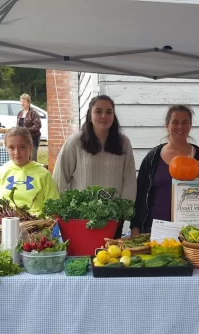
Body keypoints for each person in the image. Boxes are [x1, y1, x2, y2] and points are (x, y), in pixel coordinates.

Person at [52, 95, 136, 238]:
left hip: (113, 219)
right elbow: (59, 178)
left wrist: (122, 211)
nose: (104, 116)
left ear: (113, 116)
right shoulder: (75, 142)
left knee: (111, 253)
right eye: (98, 111)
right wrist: (71, 209)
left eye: (108, 112)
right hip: (81, 219)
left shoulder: (124, 143)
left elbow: (129, 179)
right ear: (90, 116)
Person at [131, 105, 199, 235]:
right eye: (175, 122)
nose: (180, 127)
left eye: (185, 122)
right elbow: (140, 195)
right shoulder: (153, 157)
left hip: (191, 233)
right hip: (154, 231)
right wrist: (135, 227)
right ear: (167, 125)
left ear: (190, 125)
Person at [0, 127, 58, 215]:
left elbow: (53, 204)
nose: (17, 152)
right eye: (11, 147)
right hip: (5, 220)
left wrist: (43, 220)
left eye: (22, 147)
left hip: (36, 222)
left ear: (30, 147)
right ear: (6, 148)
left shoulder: (43, 174)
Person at [16, 93, 42, 161]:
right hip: (22, 138)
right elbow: (18, 125)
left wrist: (26, 130)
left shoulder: (33, 113)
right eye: (21, 101)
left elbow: (38, 126)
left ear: (28, 102)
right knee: (25, 156)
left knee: (32, 157)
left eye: (24, 102)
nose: (22, 103)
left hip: (33, 138)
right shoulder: (20, 113)